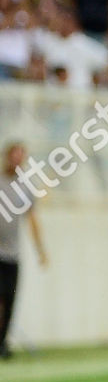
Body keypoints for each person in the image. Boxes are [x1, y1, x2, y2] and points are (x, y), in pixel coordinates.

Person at [0, 142, 48, 359]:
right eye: (13, 155)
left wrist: (41, 250)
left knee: (9, 300)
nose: (17, 160)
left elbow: (32, 220)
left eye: (21, 156)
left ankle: (2, 344)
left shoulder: (26, 187)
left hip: (13, 254)